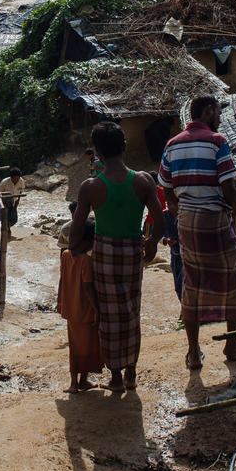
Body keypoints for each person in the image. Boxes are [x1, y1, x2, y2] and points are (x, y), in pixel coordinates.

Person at [69, 121, 162, 392]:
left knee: (109, 316)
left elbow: (77, 227)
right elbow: (159, 218)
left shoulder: (90, 187)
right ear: (124, 146)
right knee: (132, 310)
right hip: (133, 251)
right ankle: (132, 372)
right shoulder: (143, 179)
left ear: (97, 152)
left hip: (104, 254)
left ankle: (116, 377)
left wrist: (74, 250)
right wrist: (153, 242)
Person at [159, 95, 236, 372]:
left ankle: (194, 352)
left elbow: (165, 189)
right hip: (215, 221)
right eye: (219, 112)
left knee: (193, 284)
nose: (221, 118)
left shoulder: (172, 145)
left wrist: (180, 213)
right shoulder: (217, 141)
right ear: (209, 111)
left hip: (187, 224)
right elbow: (229, 187)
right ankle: (232, 345)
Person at [56, 223, 103, 392]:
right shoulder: (86, 260)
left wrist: (60, 301)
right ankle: (78, 382)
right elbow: (88, 287)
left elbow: (62, 279)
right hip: (85, 309)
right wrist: (98, 309)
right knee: (87, 345)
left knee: (75, 344)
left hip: (71, 306)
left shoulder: (66, 255)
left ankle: (78, 381)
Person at [1, 167, 26, 238]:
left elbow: (21, 191)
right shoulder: (4, 182)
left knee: (14, 218)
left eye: (18, 178)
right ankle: (7, 230)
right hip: (5, 202)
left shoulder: (21, 181)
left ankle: (8, 227)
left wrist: (17, 202)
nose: (16, 180)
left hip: (14, 201)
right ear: (11, 177)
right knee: (6, 217)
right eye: (15, 178)